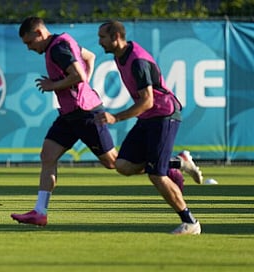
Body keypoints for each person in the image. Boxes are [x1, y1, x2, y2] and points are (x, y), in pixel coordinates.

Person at [96, 20, 202, 234]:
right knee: (123, 165)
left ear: (116, 37)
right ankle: (177, 163)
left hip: (164, 115)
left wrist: (116, 118)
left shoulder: (137, 61)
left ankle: (190, 222)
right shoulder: (120, 55)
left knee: (156, 175)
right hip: (148, 117)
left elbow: (147, 101)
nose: (100, 42)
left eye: (103, 37)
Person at [10, 17, 118, 226]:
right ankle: (40, 212)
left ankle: (172, 164)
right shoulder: (64, 41)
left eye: (30, 43)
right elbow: (90, 57)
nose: (30, 48)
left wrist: (54, 85)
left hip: (86, 113)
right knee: (48, 155)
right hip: (69, 114)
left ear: (39, 33)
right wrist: (81, 86)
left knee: (115, 163)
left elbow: (78, 75)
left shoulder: (58, 49)